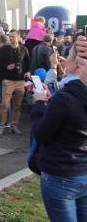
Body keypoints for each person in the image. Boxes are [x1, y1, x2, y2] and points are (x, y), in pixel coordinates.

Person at [32, 49, 87, 222]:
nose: (64, 59)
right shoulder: (69, 96)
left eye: (68, 55)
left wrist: (40, 103)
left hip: (61, 174)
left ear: (78, 63)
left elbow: (41, 133)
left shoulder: (66, 98)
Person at [0, 29, 30, 135]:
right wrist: (6, 66)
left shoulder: (24, 49)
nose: (11, 38)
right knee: (4, 104)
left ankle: (14, 126)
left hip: (20, 80)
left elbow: (28, 63)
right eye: (10, 36)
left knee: (17, 105)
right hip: (8, 80)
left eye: (13, 36)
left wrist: (27, 72)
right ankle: (1, 126)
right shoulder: (5, 49)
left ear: (18, 37)